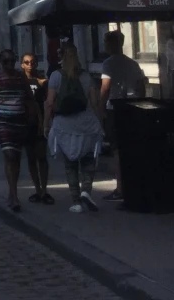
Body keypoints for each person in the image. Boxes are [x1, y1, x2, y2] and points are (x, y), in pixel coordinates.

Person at [45, 43, 104, 214]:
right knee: (88, 161)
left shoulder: (56, 76)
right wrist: (99, 122)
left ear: (62, 57)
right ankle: (86, 190)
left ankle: (76, 201)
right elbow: (94, 103)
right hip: (86, 124)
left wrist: (46, 123)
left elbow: (49, 103)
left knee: (70, 165)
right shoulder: (86, 77)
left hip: (64, 125)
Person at [0, 50, 38, 212]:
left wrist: (35, 118)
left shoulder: (21, 77)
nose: (9, 64)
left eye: (12, 61)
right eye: (6, 61)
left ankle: (12, 190)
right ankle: (14, 195)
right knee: (9, 155)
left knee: (16, 157)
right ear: (1, 62)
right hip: (3, 121)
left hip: (19, 120)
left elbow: (30, 98)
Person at [100, 30, 146, 203]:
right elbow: (141, 86)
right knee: (131, 146)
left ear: (111, 44)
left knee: (117, 149)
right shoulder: (132, 63)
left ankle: (121, 187)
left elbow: (105, 88)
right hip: (132, 106)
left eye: (106, 43)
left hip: (115, 108)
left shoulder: (108, 64)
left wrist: (100, 108)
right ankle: (134, 182)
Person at [22, 53, 53, 204]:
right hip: (26, 124)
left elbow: (47, 103)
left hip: (39, 123)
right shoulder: (20, 82)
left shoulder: (42, 82)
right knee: (31, 158)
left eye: (32, 62)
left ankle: (44, 190)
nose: (29, 65)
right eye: (26, 62)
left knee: (41, 157)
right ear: (22, 65)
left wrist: (45, 123)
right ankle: (37, 189)